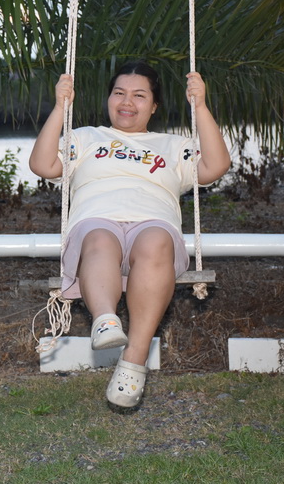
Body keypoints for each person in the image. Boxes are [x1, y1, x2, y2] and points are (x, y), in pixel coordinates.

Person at [29, 60, 230, 408]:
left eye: (139, 96)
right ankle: (105, 321)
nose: (127, 102)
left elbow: (216, 166)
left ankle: (134, 361)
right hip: (96, 222)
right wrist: (60, 107)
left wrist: (199, 106)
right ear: (109, 99)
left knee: (156, 240)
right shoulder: (86, 138)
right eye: (119, 93)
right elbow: (42, 165)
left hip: (153, 224)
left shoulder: (173, 145)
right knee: (100, 238)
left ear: (154, 106)